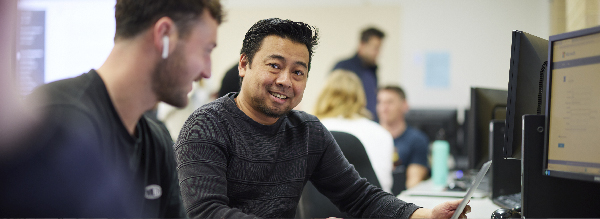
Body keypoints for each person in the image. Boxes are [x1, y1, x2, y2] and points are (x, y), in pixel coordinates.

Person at [174, 18, 469, 219]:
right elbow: (207, 213)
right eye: (274, 66)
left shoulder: (306, 131)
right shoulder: (206, 126)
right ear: (244, 64)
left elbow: (359, 196)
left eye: (298, 72)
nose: (286, 80)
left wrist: (424, 214)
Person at [1, 0, 223, 217]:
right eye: (206, 50)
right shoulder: (59, 123)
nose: (207, 72)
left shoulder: (157, 141)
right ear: (164, 35)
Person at [314, 69, 395, 193]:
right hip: (374, 208)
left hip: (319, 211)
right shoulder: (381, 133)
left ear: (324, 96)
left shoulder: (312, 131)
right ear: (361, 97)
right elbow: (385, 185)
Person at [377, 85, 430, 189]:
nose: (384, 108)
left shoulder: (416, 140)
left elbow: (413, 183)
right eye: (380, 102)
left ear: (404, 105)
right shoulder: (369, 137)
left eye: (390, 102)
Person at [332, 27, 385, 122]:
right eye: (375, 48)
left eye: (379, 49)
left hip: (369, 123)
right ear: (362, 45)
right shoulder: (343, 67)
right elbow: (334, 99)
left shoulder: (372, 70)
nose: (377, 53)